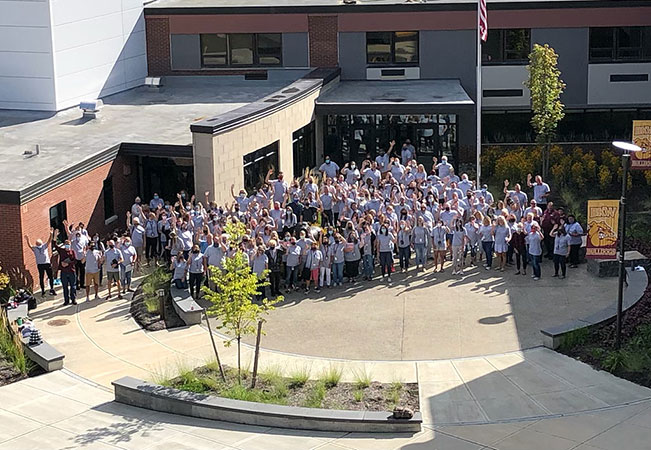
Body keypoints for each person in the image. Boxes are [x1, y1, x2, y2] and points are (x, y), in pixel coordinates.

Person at [25, 228, 56, 297]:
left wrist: (51, 234)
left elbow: (49, 241)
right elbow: (30, 246)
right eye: (38, 244)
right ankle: (43, 291)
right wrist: (27, 240)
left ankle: (52, 288)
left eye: (40, 244)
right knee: (41, 277)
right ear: (36, 244)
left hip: (47, 263)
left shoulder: (44, 246)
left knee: (50, 276)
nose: (39, 245)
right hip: (40, 265)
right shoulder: (35, 248)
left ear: (42, 243)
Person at [53, 230, 77, 305]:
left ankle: (73, 299)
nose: (67, 246)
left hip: (71, 271)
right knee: (65, 287)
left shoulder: (72, 252)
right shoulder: (62, 251)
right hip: (64, 272)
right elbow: (55, 245)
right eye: (66, 245)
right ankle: (66, 300)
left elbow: (75, 261)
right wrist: (55, 236)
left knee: (73, 286)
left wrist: (67, 263)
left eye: (68, 245)